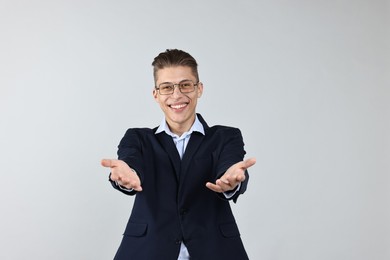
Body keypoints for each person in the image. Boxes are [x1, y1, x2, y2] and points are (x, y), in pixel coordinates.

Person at [101, 49, 256, 260]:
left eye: (185, 85)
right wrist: (125, 178)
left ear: (199, 89)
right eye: (167, 87)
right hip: (147, 251)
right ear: (156, 94)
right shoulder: (137, 138)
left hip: (215, 250)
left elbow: (230, 166)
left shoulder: (226, 136)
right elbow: (130, 163)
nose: (177, 95)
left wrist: (231, 182)